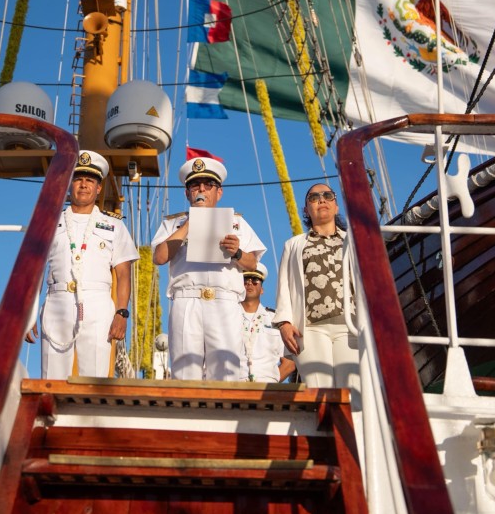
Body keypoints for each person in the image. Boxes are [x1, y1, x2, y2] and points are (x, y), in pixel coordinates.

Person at [151, 156, 266, 380]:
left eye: (208, 185)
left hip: (224, 301)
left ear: (218, 193)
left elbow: (253, 263)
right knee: (184, 371)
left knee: (226, 370)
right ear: (187, 193)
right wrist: (188, 226)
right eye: (195, 185)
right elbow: (160, 257)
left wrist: (238, 252)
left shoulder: (237, 222)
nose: (201, 189)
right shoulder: (172, 224)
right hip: (187, 300)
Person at [30, 150, 138, 378]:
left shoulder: (114, 226)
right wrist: (28, 313)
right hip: (57, 300)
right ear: (70, 184)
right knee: (52, 378)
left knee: (95, 378)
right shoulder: (49, 222)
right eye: (78, 179)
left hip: (98, 303)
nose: (83, 185)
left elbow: (124, 274)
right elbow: (35, 270)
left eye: (90, 180)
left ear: (98, 188)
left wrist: (122, 313)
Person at [273, 183, 360, 388]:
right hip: (310, 329)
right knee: (319, 392)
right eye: (314, 197)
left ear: (336, 206)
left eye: (328, 195)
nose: (321, 200)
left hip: (350, 325)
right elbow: (284, 286)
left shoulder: (354, 242)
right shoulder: (293, 245)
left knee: (353, 392)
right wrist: (284, 324)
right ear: (306, 210)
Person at [240, 263, 296, 383]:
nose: (249, 283)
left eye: (255, 280)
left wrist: (271, 382)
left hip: (267, 387)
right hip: (234, 384)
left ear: (262, 290)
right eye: (245, 280)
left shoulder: (276, 320)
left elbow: (290, 362)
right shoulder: (227, 318)